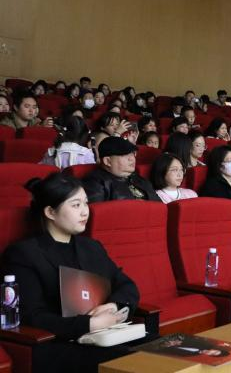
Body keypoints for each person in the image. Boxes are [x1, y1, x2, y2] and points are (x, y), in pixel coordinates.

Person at [2, 173, 139, 372]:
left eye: (86, 203)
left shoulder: (91, 247)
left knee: (164, 350)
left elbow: (126, 285)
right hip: (60, 344)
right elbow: (31, 316)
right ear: (50, 212)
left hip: (106, 334)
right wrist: (89, 324)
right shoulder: (24, 254)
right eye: (76, 205)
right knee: (137, 363)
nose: (85, 212)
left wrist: (114, 305)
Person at [82, 137, 160, 202]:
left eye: (133, 153)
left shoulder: (137, 177)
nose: (132, 159)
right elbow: (99, 213)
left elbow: (159, 205)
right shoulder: (95, 182)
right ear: (108, 161)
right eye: (124, 155)